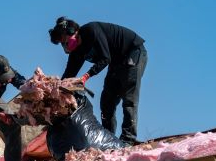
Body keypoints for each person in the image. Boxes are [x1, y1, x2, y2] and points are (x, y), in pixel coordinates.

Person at [48, 17, 148, 145]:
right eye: (62, 44)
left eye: (64, 41)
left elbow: (105, 59)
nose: (65, 45)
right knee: (107, 103)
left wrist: (85, 77)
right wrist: (56, 89)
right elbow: (69, 73)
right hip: (116, 62)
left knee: (129, 99)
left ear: (73, 32)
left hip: (133, 53)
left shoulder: (91, 31)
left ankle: (128, 139)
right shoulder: (77, 52)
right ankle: (109, 139)